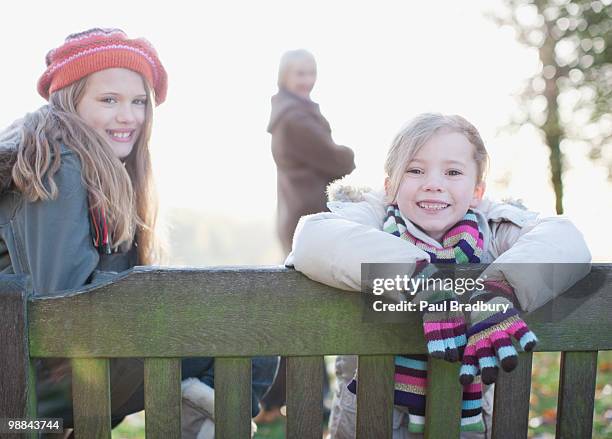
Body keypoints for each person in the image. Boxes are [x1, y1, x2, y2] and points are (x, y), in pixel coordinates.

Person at [0, 28, 273, 439]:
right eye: (109, 99)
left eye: (138, 102)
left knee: (247, 327)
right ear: (71, 100)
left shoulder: (93, 167)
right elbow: (65, 304)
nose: (128, 116)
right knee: (252, 329)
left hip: (46, 379)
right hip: (31, 391)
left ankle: (197, 414)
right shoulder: (57, 162)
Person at [286, 113, 591, 438]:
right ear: (390, 186)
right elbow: (312, 239)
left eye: (453, 172)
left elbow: (567, 240)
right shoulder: (371, 218)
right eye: (415, 170)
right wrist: (426, 283)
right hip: (376, 422)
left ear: (477, 191)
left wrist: (501, 289)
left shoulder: (493, 230)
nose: (433, 183)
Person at [268, 49, 355, 256]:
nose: (307, 80)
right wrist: (349, 154)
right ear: (284, 76)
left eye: (311, 73)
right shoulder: (295, 119)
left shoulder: (290, 112)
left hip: (297, 216)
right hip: (307, 218)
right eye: (300, 74)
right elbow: (336, 161)